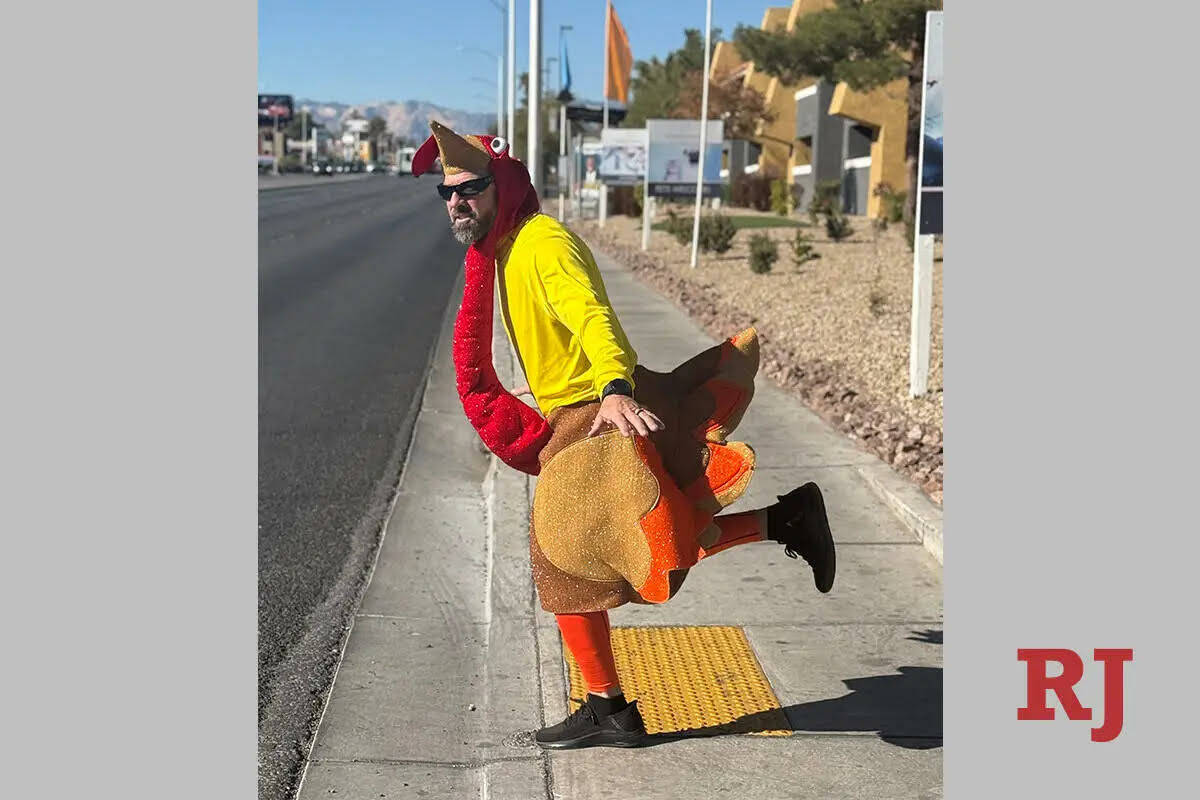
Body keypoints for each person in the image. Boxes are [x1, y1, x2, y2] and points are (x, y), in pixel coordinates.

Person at [413, 121, 836, 750]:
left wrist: (613, 389)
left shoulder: (541, 244)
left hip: (595, 413)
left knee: (571, 558)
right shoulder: (507, 249)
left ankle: (609, 709)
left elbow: (593, 317)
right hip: (576, 413)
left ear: (500, 184)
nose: (455, 202)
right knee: (627, 548)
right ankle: (783, 522)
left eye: (468, 188)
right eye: (445, 193)